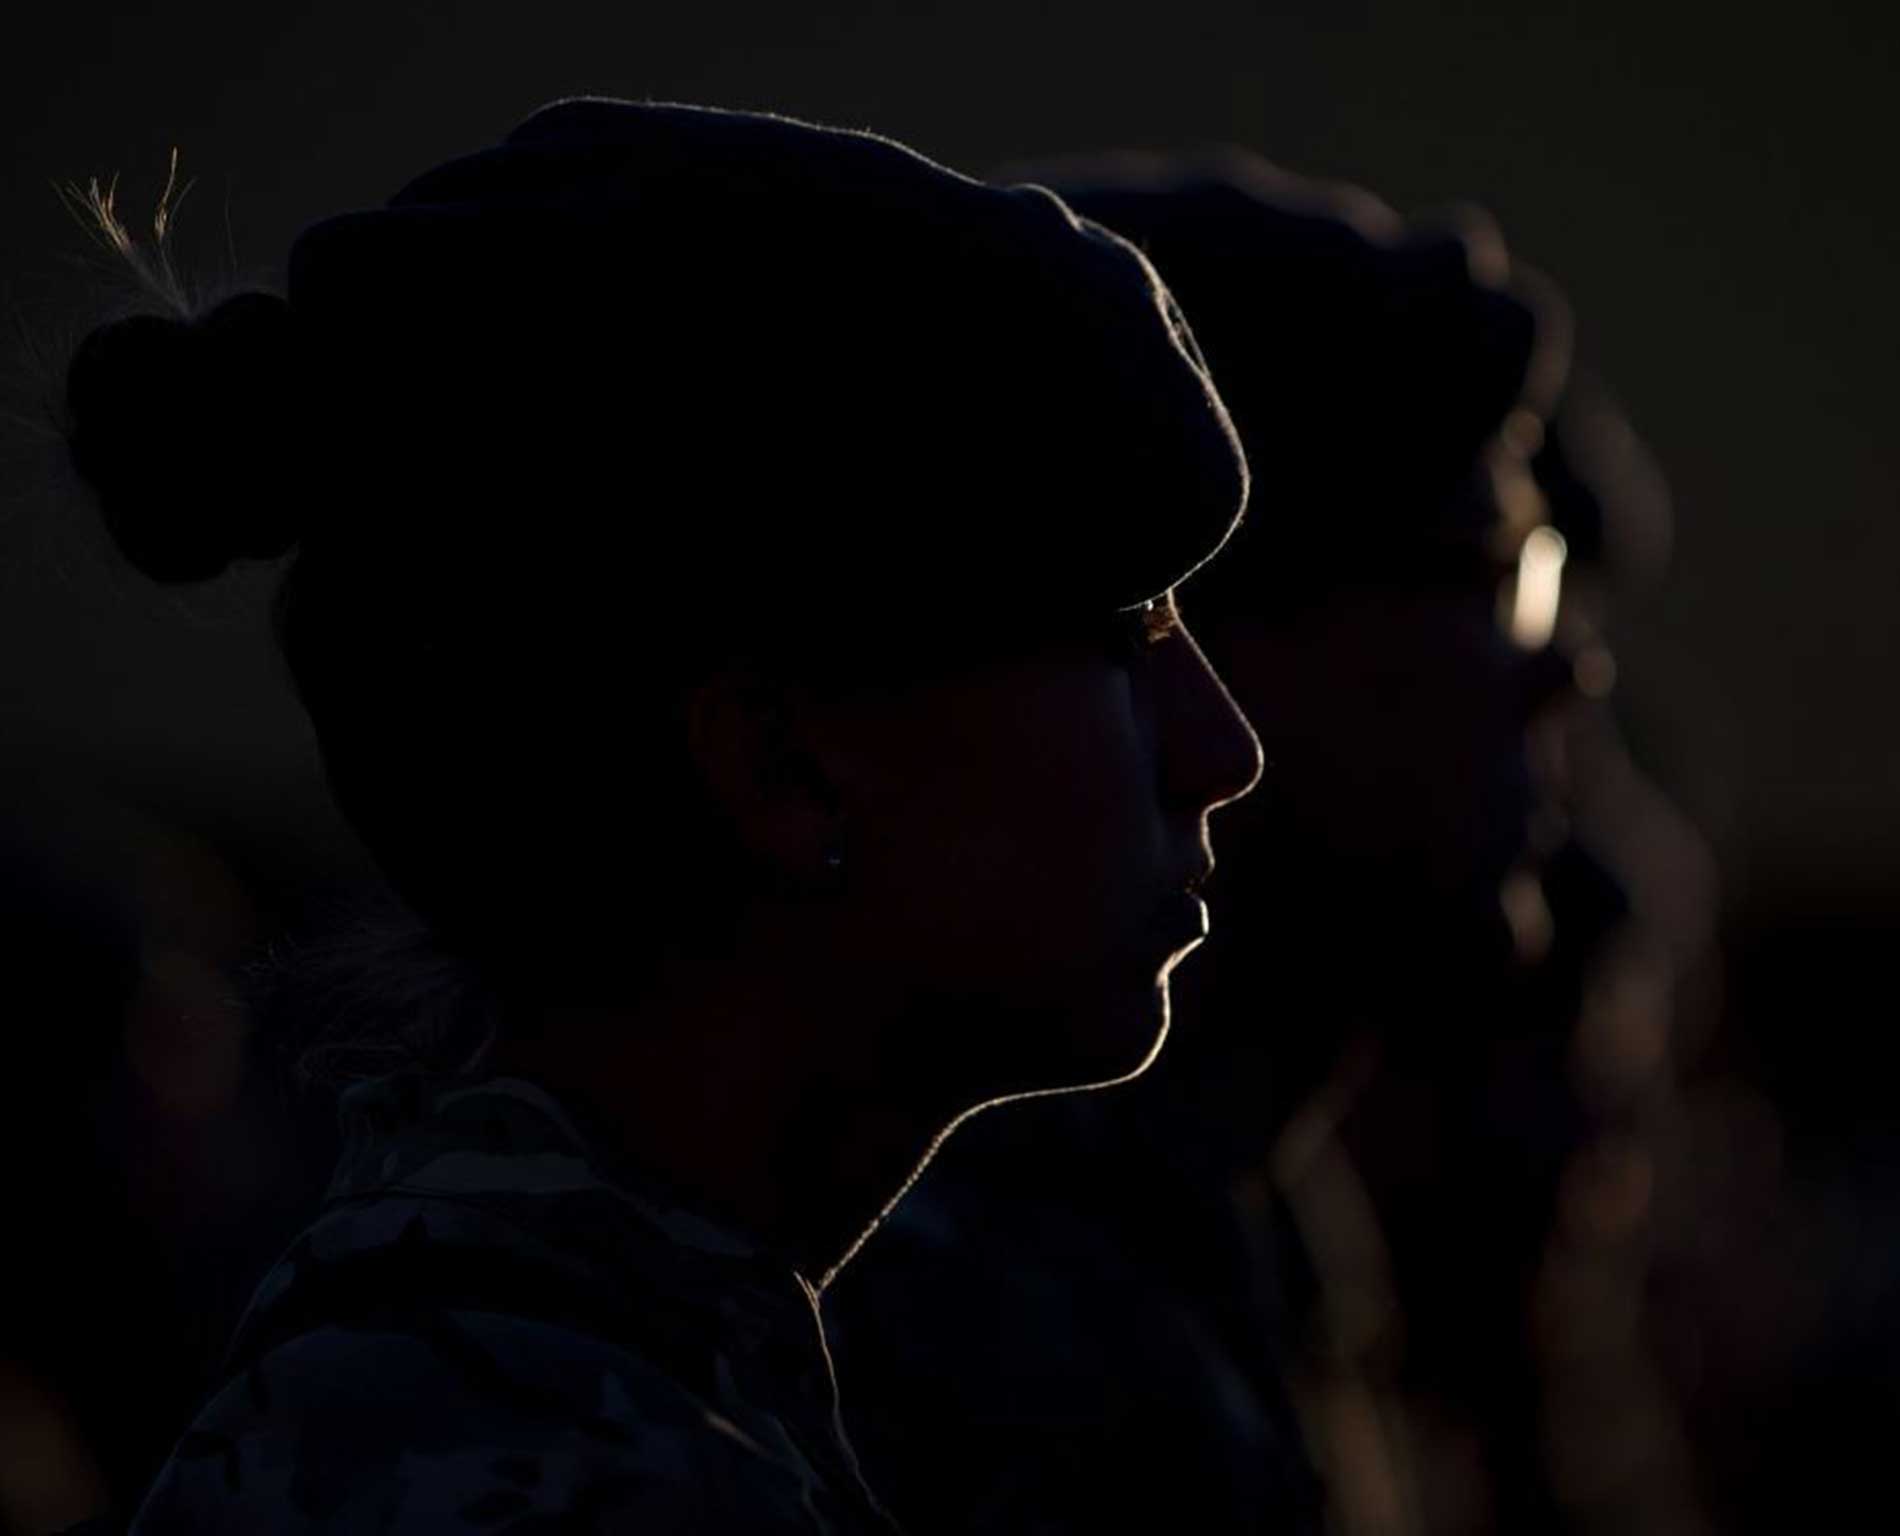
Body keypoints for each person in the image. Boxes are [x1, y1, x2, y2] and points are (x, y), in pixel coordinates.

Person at [58, 98, 1261, 1533]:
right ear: (779, 767)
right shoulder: (555, 1475)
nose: (1223, 748)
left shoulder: (571, 1394)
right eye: (1123, 636)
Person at [826, 152, 1580, 1535]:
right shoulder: (968, 1320)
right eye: (1499, 579)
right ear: (1207, 639)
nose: (1562, 673)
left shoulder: (1225, 1226)